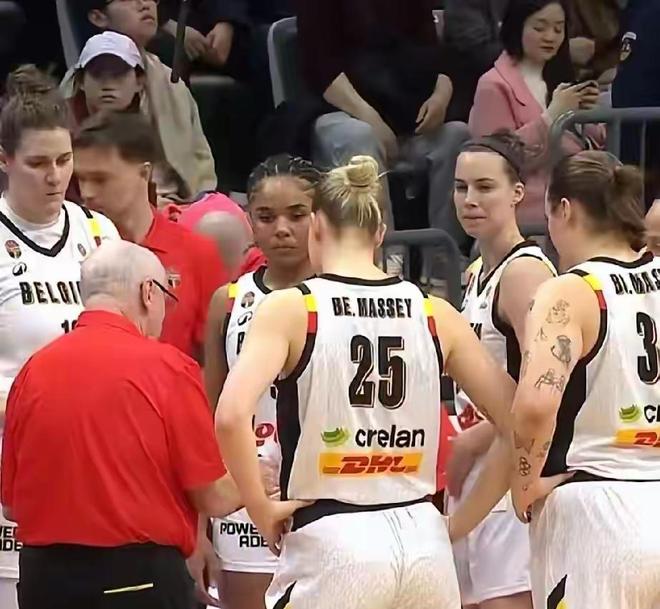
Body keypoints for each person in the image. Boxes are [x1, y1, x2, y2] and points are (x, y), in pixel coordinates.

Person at [216, 155, 518, 609]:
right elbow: (519, 422)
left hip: (334, 539)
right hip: (423, 540)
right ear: (380, 233)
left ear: (317, 226)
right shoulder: (433, 311)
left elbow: (230, 416)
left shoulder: (293, 308)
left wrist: (260, 509)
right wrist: (458, 525)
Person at [1, 240, 242, 609]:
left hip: (44, 580)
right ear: (148, 293)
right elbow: (214, 495)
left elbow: (12, 506)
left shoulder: (33, 371)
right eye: (166, 297)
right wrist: (255, 482)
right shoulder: (167, 368)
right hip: (135, 581)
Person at [509, 151, 660, 608]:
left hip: (598, 510)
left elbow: (536, 404)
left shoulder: (569, 291)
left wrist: (524, 483)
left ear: (565, 209)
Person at [0, 65, 119, 609]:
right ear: (5, 160)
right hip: (15, 453)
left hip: (93, 456)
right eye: (38, 164)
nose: (55, 177)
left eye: (64, 160)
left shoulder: (99, 232)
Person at [204, 154, 319, 609]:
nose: (282, 229)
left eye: (297, 215)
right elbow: (209, 413)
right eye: (267, 217)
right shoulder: (229, 302)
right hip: (245, 496)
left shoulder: (345, 293)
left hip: (324, 495)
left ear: (321, 216)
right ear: (249, 220)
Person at [446, 131, 556, 609]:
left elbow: (551, 385)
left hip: (512, 467)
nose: (470, 199)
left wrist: (478, 438)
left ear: (517, 193)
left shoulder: (524, 273)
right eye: (460, 187)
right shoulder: (477, 271)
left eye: (484, 187)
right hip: (479, 463)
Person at [295, 0, 470, 232]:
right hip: (339, 110)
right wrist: (371, 118)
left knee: (457, 136)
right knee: (360, 136)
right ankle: (383, 248)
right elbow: (321, 69)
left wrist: (441, 95)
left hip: (404, 117)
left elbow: (435, 54)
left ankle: (444, 248)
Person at [73, 111, 229, 361]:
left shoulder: (197, 253)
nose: (87, 193)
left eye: (100, 179)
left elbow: (214, 360)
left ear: (144, 174)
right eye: (81, 179)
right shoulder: (72, 249)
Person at [62, 0, 217, 205]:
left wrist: (200, 201)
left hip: (179, 203)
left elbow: (201, 160)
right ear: (98, 17)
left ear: (139, 80)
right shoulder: (69, 93)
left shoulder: (171, 83)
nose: (145, 4)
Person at [470, 0, 604, 228]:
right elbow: (495, 158)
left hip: (576, 200)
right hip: (526, 210)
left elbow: (593, 144)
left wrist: (588, 116)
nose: (550, 37)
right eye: (539, 28)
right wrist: (552, 116)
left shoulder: (561, 77)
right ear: (517, 27)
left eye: (558, 29)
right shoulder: (492, 85)